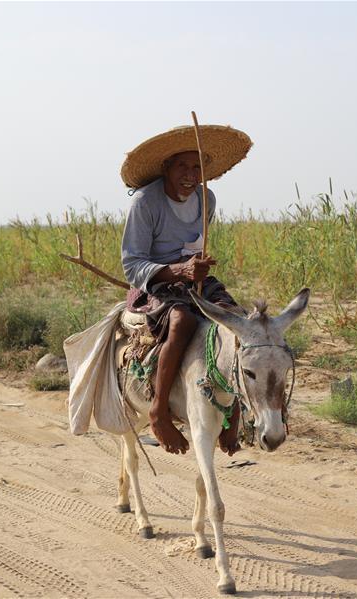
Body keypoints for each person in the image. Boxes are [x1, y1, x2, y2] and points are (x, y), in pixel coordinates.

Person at [119, 125, 252, 456]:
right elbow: (132, 264)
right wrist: (177, 270)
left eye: (197, 168)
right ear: (166, 168)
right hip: (156, 282)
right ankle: (159, 412)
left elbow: (193, 247)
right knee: (182, 322)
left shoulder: (207, 199)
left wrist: (197, 266)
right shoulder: (146, 203)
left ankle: (233, 411)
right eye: (182, 167)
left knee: (238, 321)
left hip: (194, 279)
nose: (191, 176)